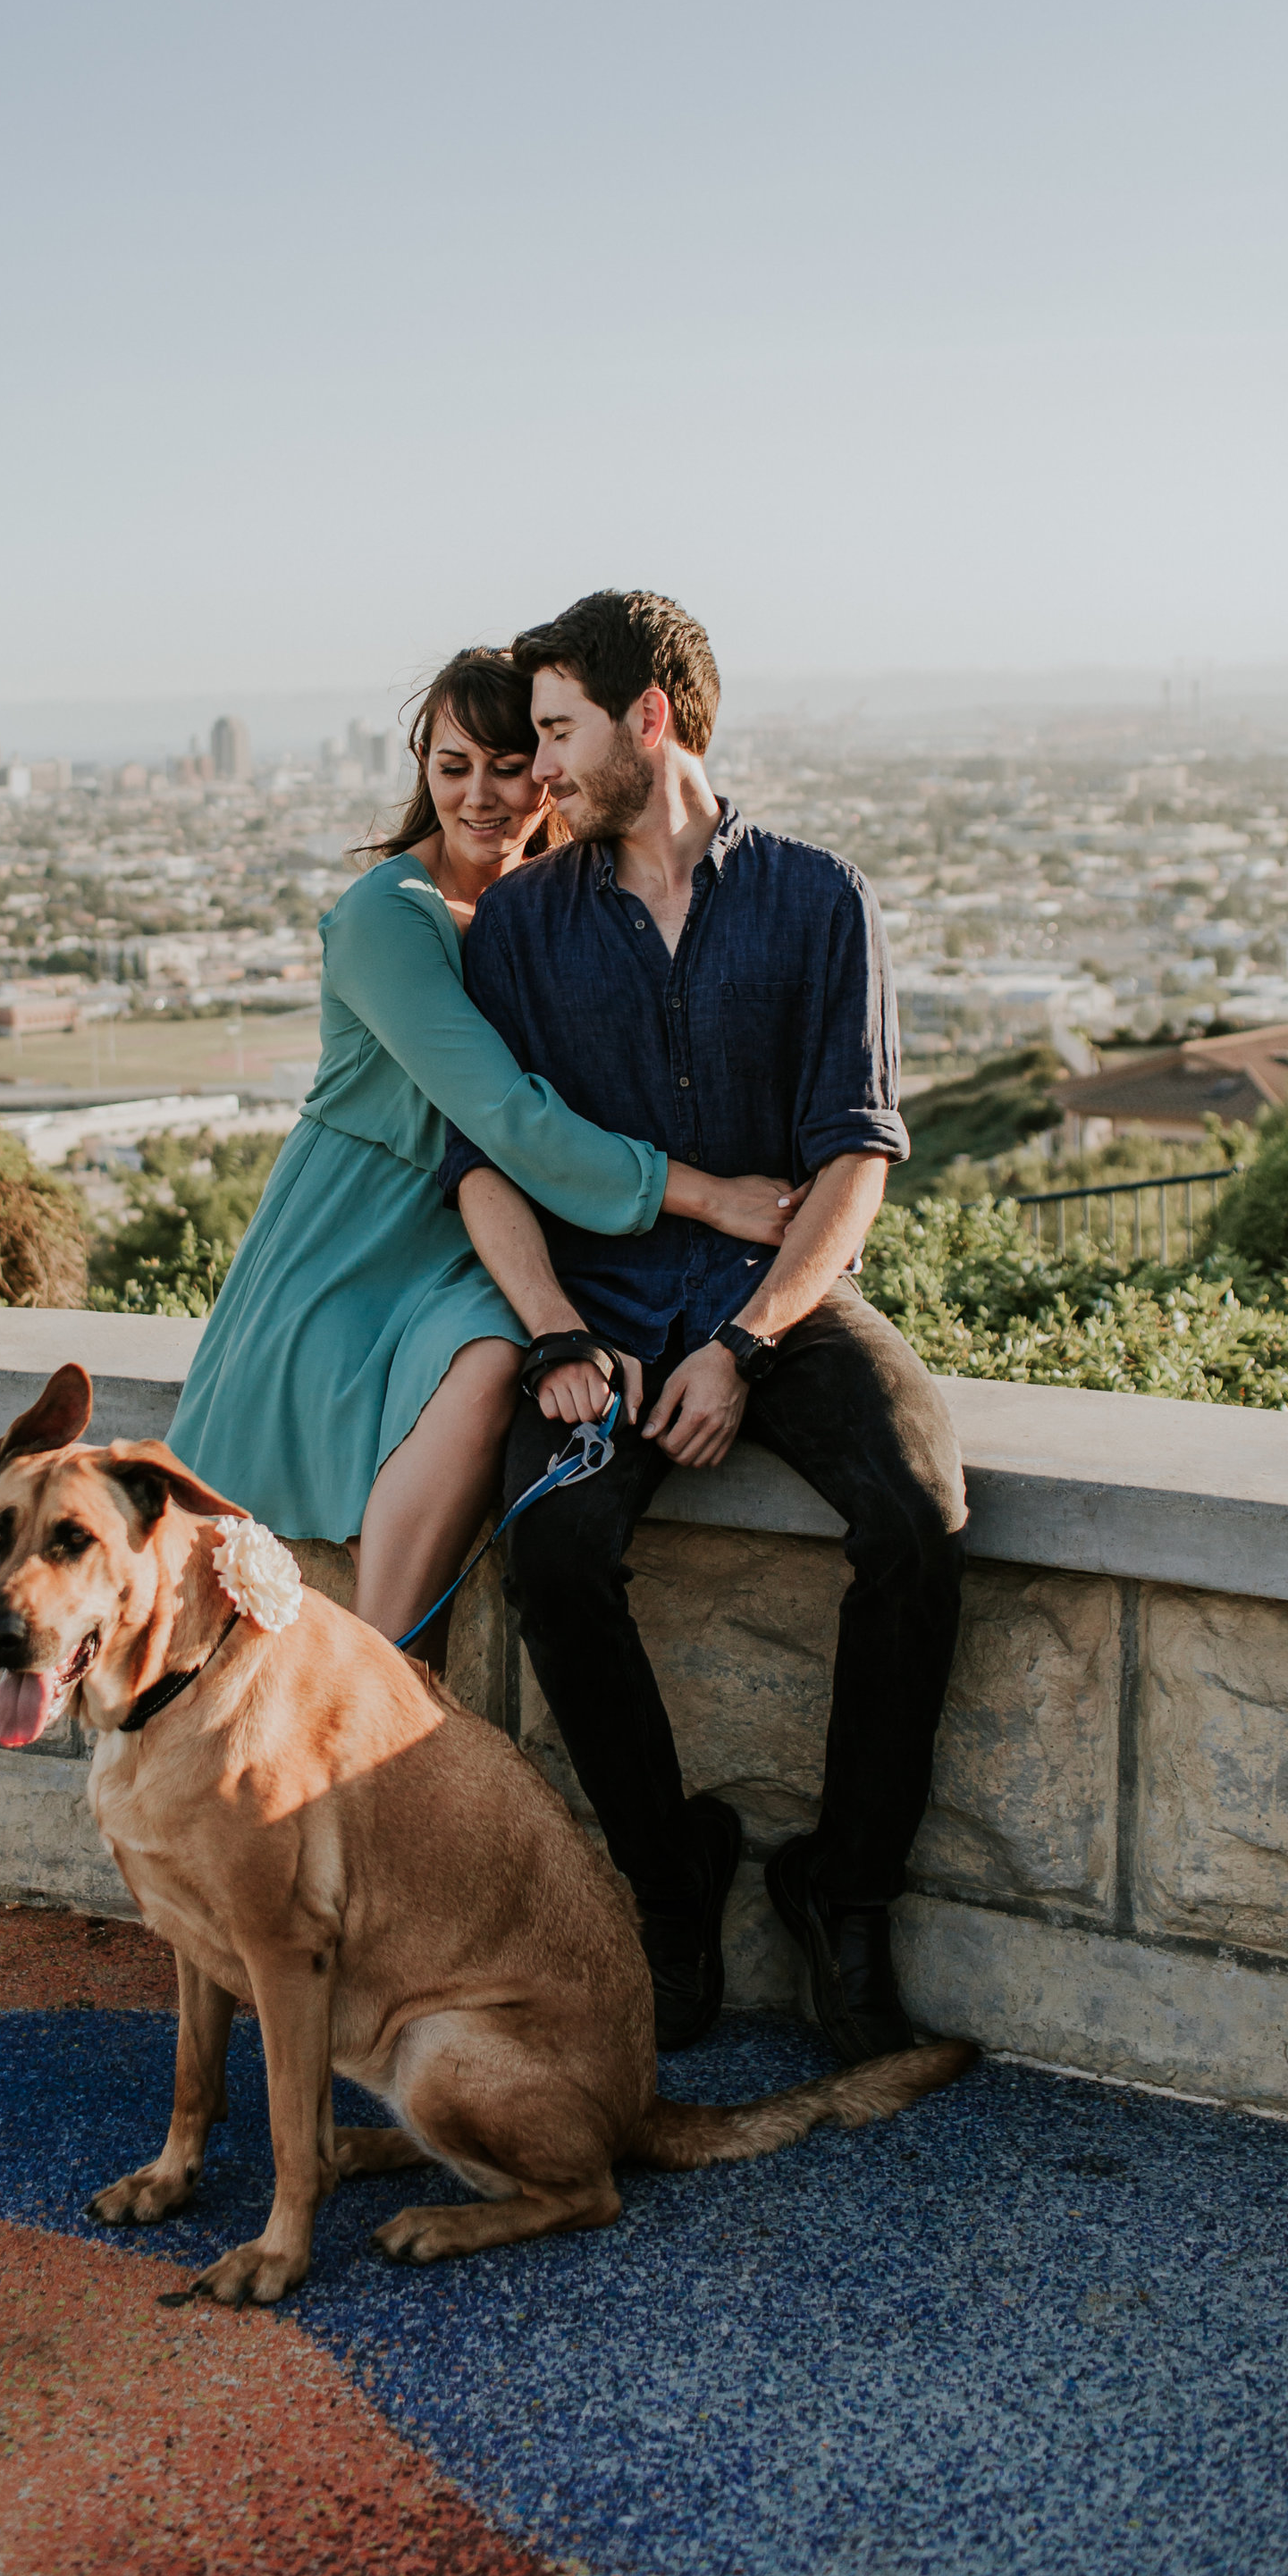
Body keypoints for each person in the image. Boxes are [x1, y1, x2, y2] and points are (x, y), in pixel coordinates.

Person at [440, 589, 967, 2061]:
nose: (537, 769)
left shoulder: (819, 899)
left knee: (918, 1516)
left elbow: (853, 1158)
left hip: (783, 1304)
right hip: (600, 1313)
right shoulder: (523, 930)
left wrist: (744, 1346)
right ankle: (672, 1891)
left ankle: (840, 1895)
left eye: (556, 732)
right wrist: (554, 1333)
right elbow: (481, 1164)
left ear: (648, 718)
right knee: (552, 1549)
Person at [164, 647, 802, 1658]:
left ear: (548, 769)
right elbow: (505, 1116)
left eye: (508, 764)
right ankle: (373, 1699)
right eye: (452, 765)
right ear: (421, 766)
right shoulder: (391, 914)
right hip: (363, 1231)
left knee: (496, 1357)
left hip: (489, 1237)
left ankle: (381, 1676)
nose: (480, 794)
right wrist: (715, 1200)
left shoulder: (564, 907)